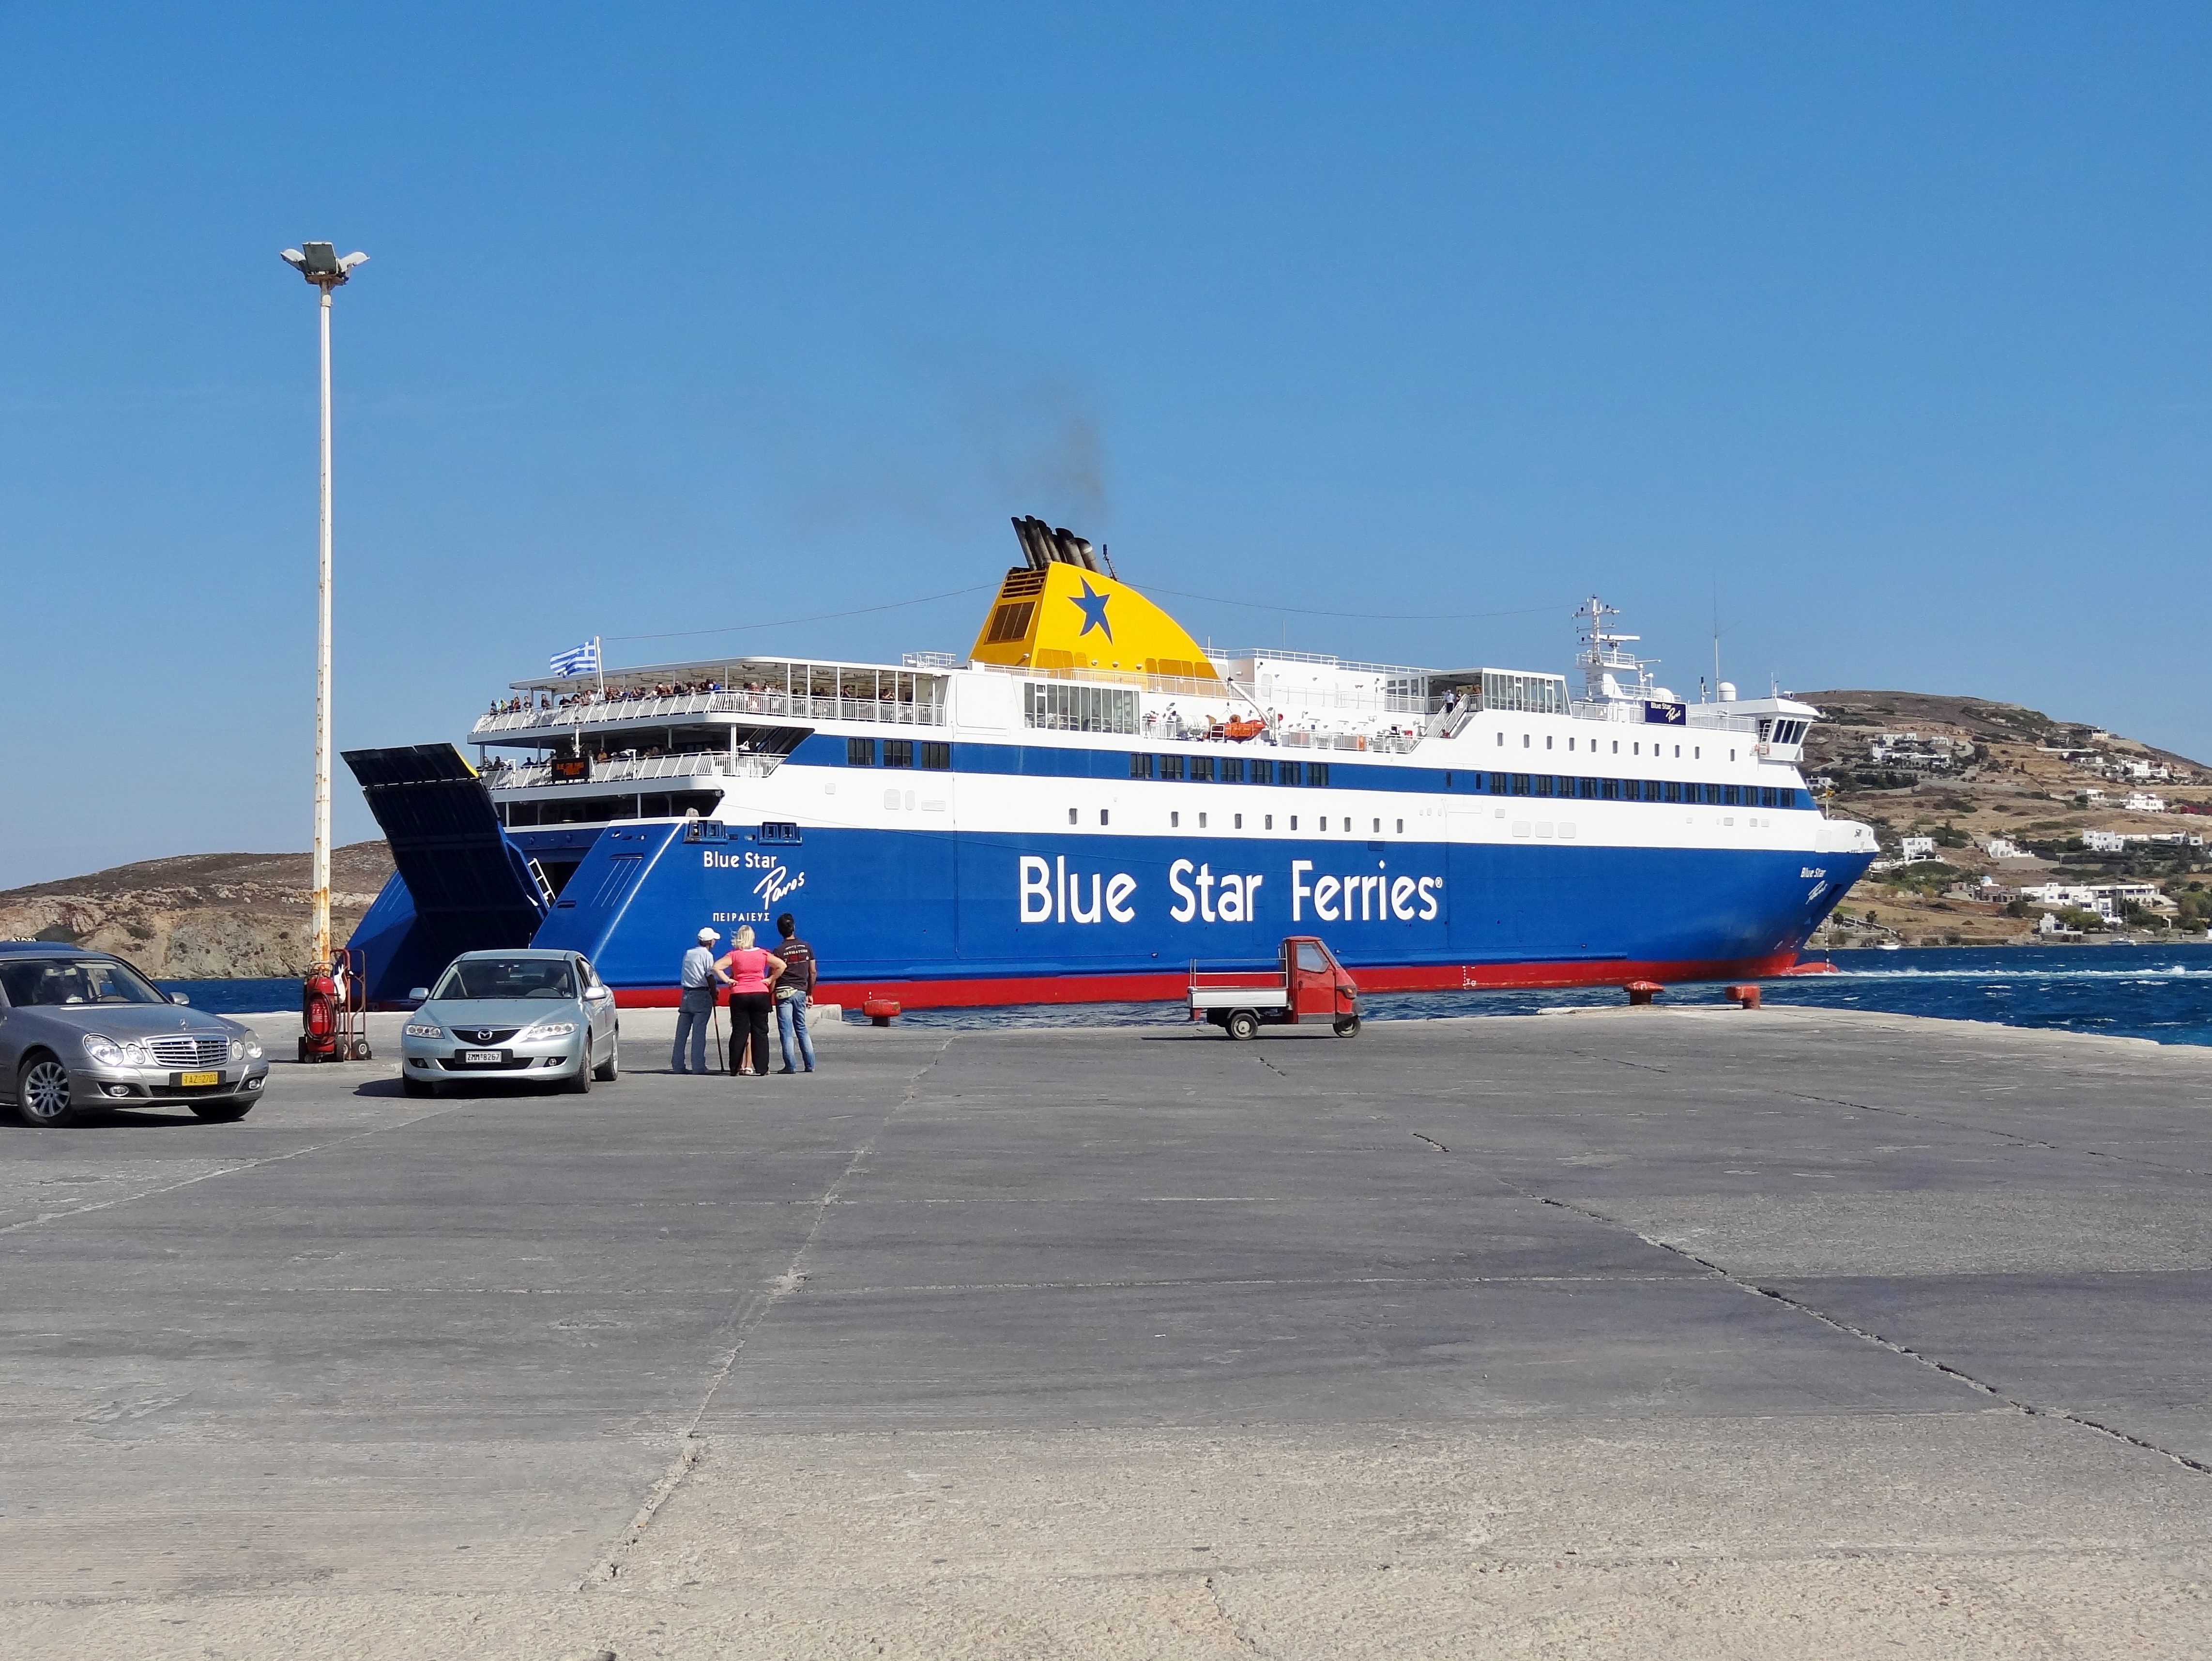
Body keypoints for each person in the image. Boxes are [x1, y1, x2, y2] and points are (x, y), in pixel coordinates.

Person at [718, 925, 786, 1078]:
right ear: (753, 938)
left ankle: (734, 1068)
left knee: (739, 1032)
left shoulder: (734, 955)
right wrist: (770, 979)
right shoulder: (763, 954)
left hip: (739, 994)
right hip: (760, 993)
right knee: (760, 1032)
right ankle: (762, 1067)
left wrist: (728, 980)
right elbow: (782, 965)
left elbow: (717, 967)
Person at [671, 927, 727, 1074]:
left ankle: (677, 1065)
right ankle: (698, 1066)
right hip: (701, 994)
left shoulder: (689, 953)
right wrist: (715, 992)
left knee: (682, 1032)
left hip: (686, 993)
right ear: (709, 942)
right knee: (699, 1032)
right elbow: (710, 976)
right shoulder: (707, 955)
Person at [770, 911, 818, 1074]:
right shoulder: (807, 947)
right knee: (802, 1028)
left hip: (784, 993)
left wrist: (769, 995)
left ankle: (790, 1066)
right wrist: (809, 993)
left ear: (779, 930)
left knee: (786, 1031)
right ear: (794, 927)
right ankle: (810, 1065)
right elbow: (813, 972)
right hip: (801, 991)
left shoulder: (778, 951)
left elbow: (773, 976)